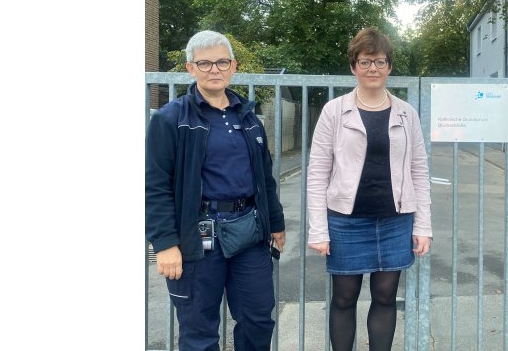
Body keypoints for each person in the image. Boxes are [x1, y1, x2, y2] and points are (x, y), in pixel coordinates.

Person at [146, 30, 286, 351]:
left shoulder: (248, 118)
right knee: (199, 330)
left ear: (233, 66)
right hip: (196, 238)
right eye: (205, 63)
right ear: (190, 68)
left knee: (258, 318)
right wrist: (164, 243)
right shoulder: (171, 120)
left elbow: (264, 177)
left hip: (248, 233)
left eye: (222, 62)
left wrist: (275, 223)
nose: (214, 70)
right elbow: (154, 187)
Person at [306, 27, 433, 351]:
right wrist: (318, 229)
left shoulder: (407, 114)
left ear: (389, 66)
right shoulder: (334, 112)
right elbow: (318, 172)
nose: (372, 68)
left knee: (386, 297)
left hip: (395, 220)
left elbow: (419, 171)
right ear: (353, 67)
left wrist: (423, 225)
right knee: (345, 297)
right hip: (346, 222)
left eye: (379, 61)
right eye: (365, 62)